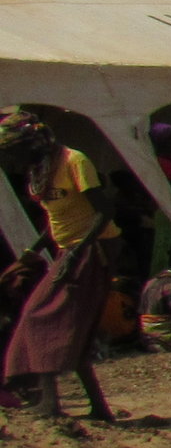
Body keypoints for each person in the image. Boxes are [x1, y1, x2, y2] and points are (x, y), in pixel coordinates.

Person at [0, 110, 120, 422]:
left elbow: (103, 211)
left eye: (12, 152)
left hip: (93, 250)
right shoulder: (40, 169)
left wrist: (77, 253)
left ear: (32, 143)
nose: (10, 161)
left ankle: (50, 403)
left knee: (39, 317)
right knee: (73, 328)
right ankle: (99, 408)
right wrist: (33, 250)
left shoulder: (73, 161)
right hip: (69, 250)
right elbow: (56, 218)